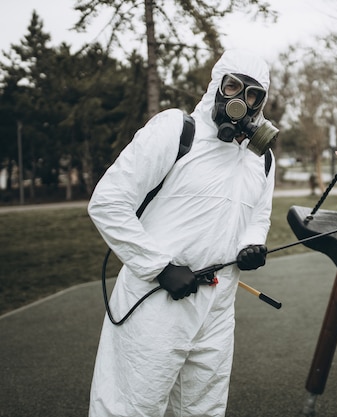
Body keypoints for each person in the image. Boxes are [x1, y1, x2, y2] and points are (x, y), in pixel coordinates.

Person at [87, 49, 277, 417]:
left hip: (218, 307)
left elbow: (259, 216)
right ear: (216, 86)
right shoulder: (177, 130)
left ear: (261, 102)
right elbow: (107, 203)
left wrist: (252, 244)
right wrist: (159, 267)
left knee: (203, 407)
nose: (241, 99)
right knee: (132, 405)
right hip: (156, 300)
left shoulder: (260, 158)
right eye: (233, 86)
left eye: (253, 93)